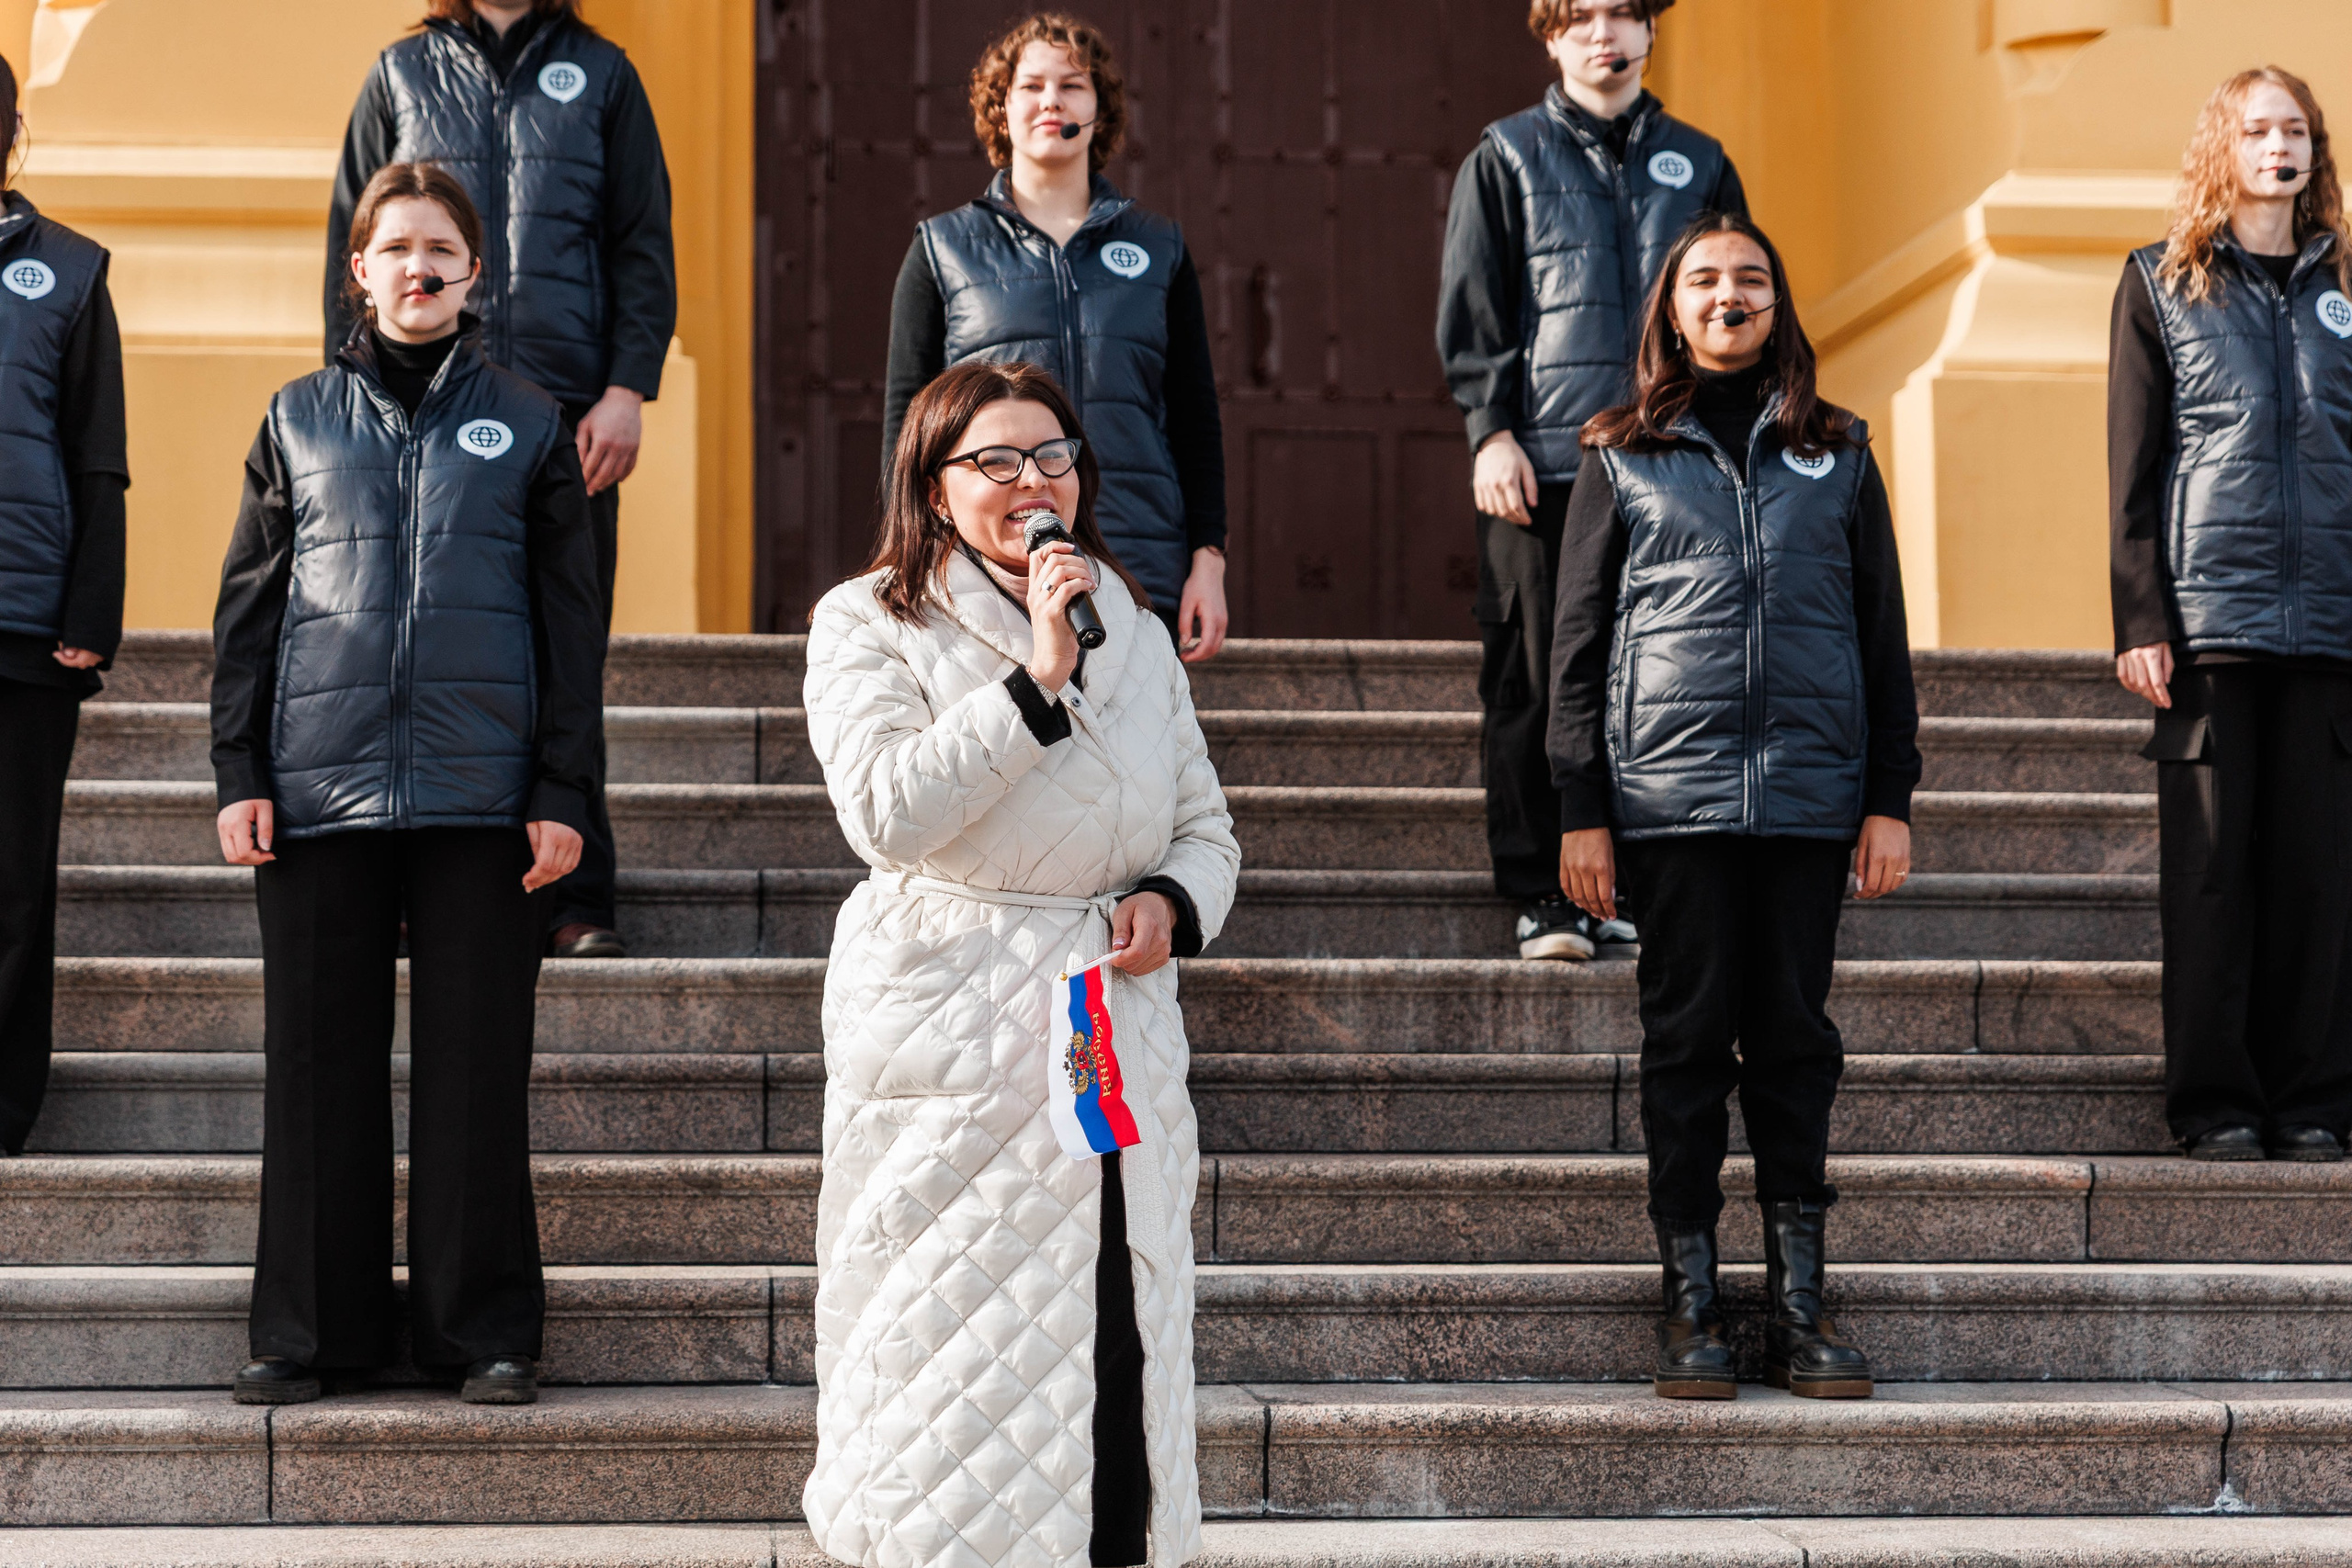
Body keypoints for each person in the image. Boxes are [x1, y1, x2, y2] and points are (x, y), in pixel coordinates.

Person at [801, 360, 1238, 1567]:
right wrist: (1035, 677)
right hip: (955, 1022)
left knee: (1112, 1318)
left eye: (1052, 456)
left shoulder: (1131, 625)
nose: (1032, 482)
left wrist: (1169, 899)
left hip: (1109, 1018)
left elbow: (1205, 826)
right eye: (994, 461)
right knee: (944, 1343)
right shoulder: (869, 620)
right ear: (935, 489)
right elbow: (886, 812)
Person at [212, 163, 605, 1406]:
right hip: (315, 789)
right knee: (313, 1066)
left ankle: (479, 1329)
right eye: (396, 247)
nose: (418, 266)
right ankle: (309, 1330)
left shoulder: (530, 424)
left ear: (474, 272)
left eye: (440, 248)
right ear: (360, 269)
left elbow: (569, 628)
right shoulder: (296, 419)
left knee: (475, 1069)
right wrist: (239, 767)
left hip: (484, 796)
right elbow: (249, 611)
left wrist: (563, 789)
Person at [1549, 212, 1919, 1401]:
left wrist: (1889, 795)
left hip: (1810, 800)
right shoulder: (1620, 451)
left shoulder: (1839, 450)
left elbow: (1880, 634)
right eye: (1704, 279)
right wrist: (1580, 806)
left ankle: (1801, 1307)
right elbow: (1576, 645)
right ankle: (1692, 1301)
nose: (1728, 295)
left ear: (1777, 302)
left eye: (1750, 278)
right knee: (1688, 1044)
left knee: (1796, 1042)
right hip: (1671, 800)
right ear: (1671, 308)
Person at [327, 0, 676, 960]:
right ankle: (414, 886)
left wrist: (626, 389)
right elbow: (349, 250)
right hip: (425, 422)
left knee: (568, 651)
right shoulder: (400, 75)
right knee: (425, 649)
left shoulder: (605, 75)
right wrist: (354, 409)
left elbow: (640, 239)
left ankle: (575, 895)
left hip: (567, 422)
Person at [1439, 0, 1746, 963]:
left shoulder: (1700, 161)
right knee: (1535, 678)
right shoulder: (1506, 154)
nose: (1601, 34)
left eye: (1621, 13)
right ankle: (1544, 892)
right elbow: (1475, 303)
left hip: (1668, 463)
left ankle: (1636, 887)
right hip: (1544, 464)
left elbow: (1733, 304)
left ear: (1652, 30)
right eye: (1579, 17)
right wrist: (1491, 431)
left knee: (1660, 678)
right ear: (1550, 34)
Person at [2111, 65, 2352, 1167]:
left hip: (2333, 627)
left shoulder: (2346, 283)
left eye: (2294, 130)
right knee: (2210, 875)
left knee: (2319, 875)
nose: (2277, 148)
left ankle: (2313, 1101)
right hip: (2210, 621)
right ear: (2224, 145)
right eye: (2256, 130)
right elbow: (2133, 464)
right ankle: (2212, 1102)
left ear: (2315, 150)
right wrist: (2139, 615)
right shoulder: (2159, 283)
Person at [880, 12, 1229, 663]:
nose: (1051, 101)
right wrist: (911, 556)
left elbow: (1194, 416)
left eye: (1072, 86)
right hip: (991, 566)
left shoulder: (1159, 247)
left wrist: (1208, 561)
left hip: (1138, 558)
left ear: (1100, 111)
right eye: (1031, 86)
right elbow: (910, 423)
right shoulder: (941, 249)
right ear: (1001, 108)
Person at [0, 51, 129, 1157]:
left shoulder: (71, 271)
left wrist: (91, 613)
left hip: (24, 625)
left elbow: (98, 455)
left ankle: (3, 1101)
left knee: (11, 875)